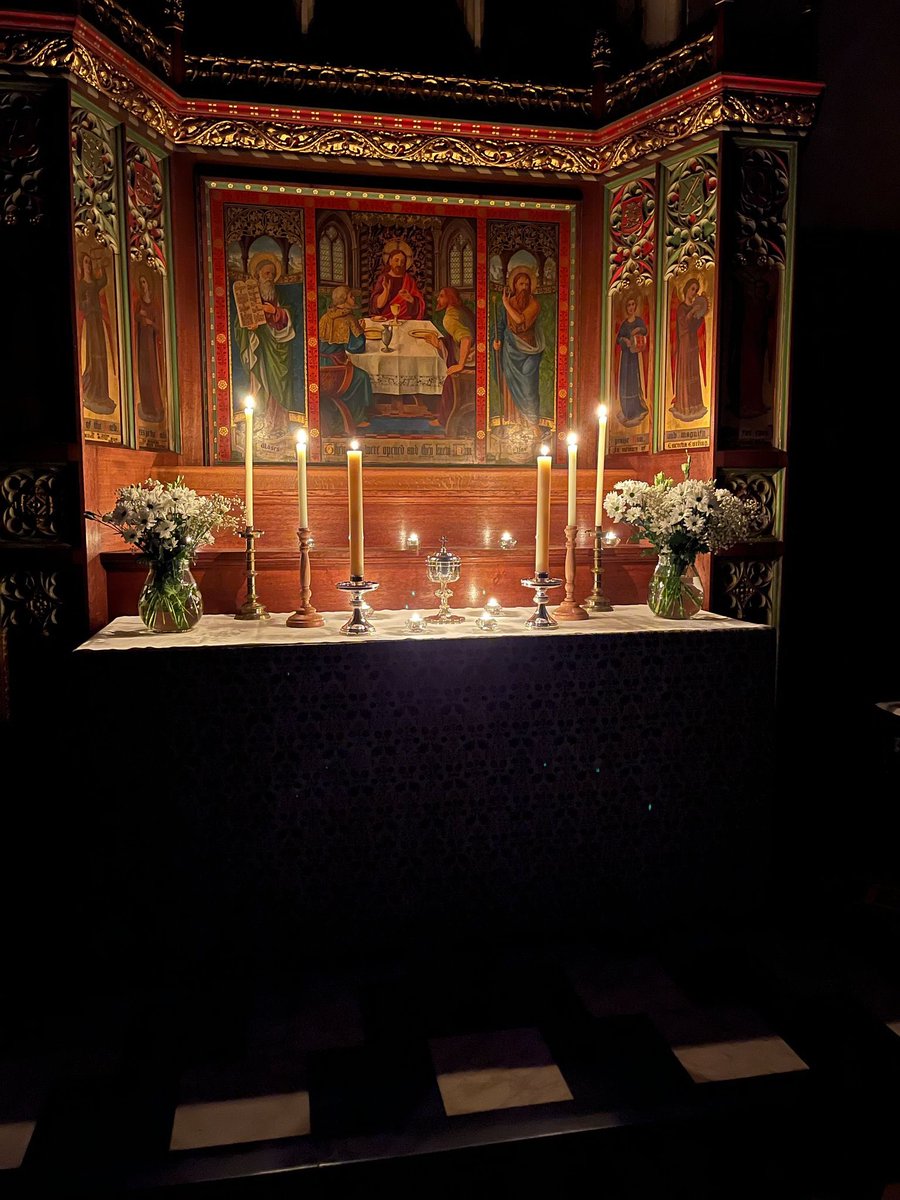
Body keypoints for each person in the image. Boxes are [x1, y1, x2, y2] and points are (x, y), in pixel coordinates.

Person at [234, 255, 296, 433]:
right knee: (259, 380)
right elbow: (240, 322)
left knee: (279, 382)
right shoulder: (249, 295)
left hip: (279, 346)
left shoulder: (280, 295)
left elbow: (291, 315)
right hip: (258, 346)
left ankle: (277, 422)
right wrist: (250, 328)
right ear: (257, 275)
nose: (270, 277)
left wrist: (275, 310)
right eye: (266, 273)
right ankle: (259, 420)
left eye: (273, 274)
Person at [492, 267, 545, 431]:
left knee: (529, 387)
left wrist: (506, 304)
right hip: (510, 349)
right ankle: (513, 423)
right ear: (514, 285)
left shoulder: (534, 304)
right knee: (509, 383)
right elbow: (501, 324)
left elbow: (520, 320)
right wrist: (496, 340)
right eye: (521, 284)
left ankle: (532, 424)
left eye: (527, 285)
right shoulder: (508, 303)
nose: (524, 288)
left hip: (529, 350)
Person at [318, 285, 373, 430]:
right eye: (351, 296)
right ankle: (357, 417)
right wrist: (361, 330)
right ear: (343, 299)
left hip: (320, 366)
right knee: (362, 377)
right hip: (336, 370)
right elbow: (356, 348)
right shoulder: (348, 319)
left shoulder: (325, 317)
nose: (354, 298)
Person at [428, 286, 476, 431]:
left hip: (471, 359)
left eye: (442, 296)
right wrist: (439, 344)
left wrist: (460, 365)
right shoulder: (461, 310)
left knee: (450, 380)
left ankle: (444, 419)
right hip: (474, 354)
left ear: (450, 298)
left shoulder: (449, 318)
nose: (438, 299)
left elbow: (466, 338)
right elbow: (455, 341)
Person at [76, 250, 116, 415]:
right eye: (86, 262)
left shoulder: (93, 283)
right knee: (94, 355)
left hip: (98, 321)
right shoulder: (82, 285)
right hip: (90, 322)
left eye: (89, 262)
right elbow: (79, 304)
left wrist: (103, 266)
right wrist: (86, 304)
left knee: (102, 356)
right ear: (81, 264)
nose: (88, 265)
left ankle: (102, 393)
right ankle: (91, 391)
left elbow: (104, 281)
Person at [670, 277, 709, 422]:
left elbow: (695, 325)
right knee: (686, 372)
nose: (694, 292)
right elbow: (684, 325)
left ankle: (695, 405)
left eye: (696, 290)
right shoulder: (682, 308)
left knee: (693, 372)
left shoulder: (693, 307)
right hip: (685, 344)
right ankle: (684, 405)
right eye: (692, 289)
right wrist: (693, 311)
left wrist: (700, 314)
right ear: (686, 289)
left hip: (693, 343)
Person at [133, 273, 165, 423]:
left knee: (152, 374)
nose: (142, 285)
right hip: (142, 343)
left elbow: (159, 327)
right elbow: (136, 318)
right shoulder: (140, 303)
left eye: (144, 282)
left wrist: (149, 322)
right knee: (143, 374)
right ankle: (146, 407)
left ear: (149, 285)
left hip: (151, 345)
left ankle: (155, 407)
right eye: (140, 282)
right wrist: (140, 316)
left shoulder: (154, 305)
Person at [614, 295, 649, 427]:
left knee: (634, 380)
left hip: (635, 356)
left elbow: (644, 330)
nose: (631, 307)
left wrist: (638, 330)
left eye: (633, 304)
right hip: (626, 357)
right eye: (629, 305)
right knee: (626, 381)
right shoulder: (624, 324)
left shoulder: (638, 321)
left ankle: (636, 409)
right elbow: (618, 339)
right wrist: (625, 340)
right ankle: (626, 410)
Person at [369, 240, 425, 320]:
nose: (399, 264)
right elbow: (378, 305)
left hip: (405, 319)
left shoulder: (409, 280)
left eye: (402, 262)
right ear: (390, 261)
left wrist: (410, 298)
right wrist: (386, 291)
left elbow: (419, 305)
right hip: (386, 319)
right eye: (396, 260)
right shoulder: (383, 278)